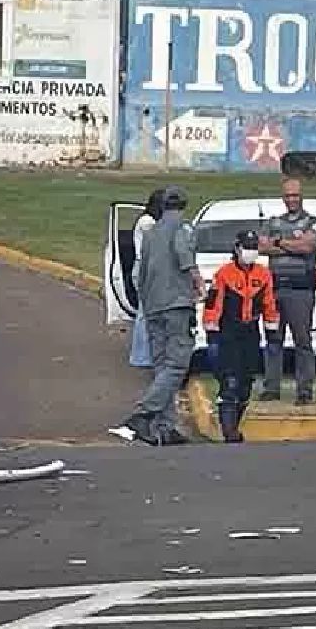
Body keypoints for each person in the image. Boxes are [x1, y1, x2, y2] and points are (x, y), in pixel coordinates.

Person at [114, 185, 205, 446]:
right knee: (177, 365)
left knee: (162, 366)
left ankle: (165, 427)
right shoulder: (183, 229)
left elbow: (139, 273)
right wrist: (199, 284)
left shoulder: (150, 232)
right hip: (176, 305)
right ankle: (144, 413)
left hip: (152, 307)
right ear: (183, 206)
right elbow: (184, 257)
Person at [203, 229, 281, 442]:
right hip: (228, 332)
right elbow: (213, 304)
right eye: (246, 247)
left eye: (254, 248)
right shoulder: (224, 274)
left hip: (250, 332)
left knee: (246, 382)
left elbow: (269, 304)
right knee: (230, 381)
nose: (250, 252)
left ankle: (234, 425)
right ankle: (229, 432)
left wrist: (272, 331)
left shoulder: (263, 274)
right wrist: (212, 333)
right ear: (237, 249)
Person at [257, 178, 316, 405]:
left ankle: (304, 391)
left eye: (296, 195)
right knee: (273, 339)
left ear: (301, 196)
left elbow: (307, 246)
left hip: (300, 290)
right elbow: (262, 246)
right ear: (283, 197)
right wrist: (289, 243)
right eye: (288, 196)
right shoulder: (273, 221)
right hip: (275, 288)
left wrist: (279, 243)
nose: (292, 199)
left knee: (302, 341)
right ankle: (271, 388)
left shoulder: (313, 222)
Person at [128, 189, 166, 369]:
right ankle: (141, 356)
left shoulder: (151, 221)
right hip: (145, 270)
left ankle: (149, 354)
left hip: (150, 269)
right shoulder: (147, 222)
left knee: (150, 313)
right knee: (145, 314)